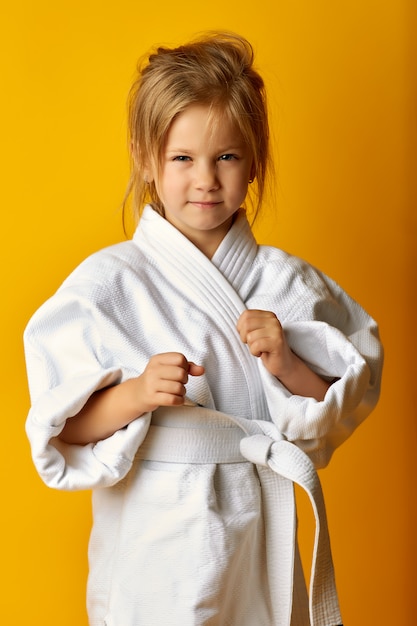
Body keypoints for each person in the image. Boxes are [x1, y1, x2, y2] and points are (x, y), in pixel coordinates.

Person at [24, 32, 383, 626]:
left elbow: (339, 405)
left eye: (227, 157)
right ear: (146, 158)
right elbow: (64, 430)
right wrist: (135, 393)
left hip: (256, 524)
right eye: (182, 158)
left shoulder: (288, 284)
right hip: (154, 539)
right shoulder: (112, 284)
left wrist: (288, 364)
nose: (205, 181)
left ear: (255, 160)